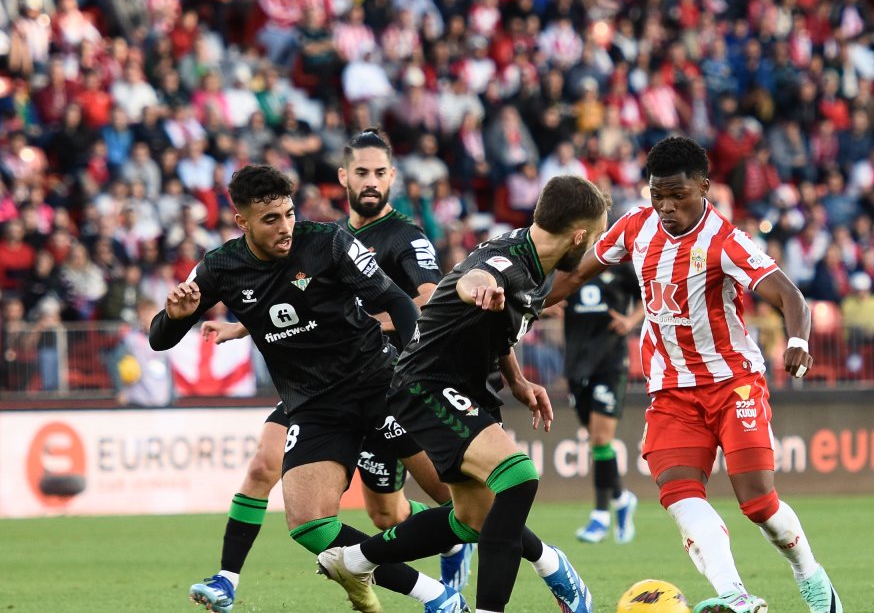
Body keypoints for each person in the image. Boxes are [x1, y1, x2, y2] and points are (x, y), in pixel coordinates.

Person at [149, 165, 466, 613]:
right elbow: (159, 339)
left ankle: (549, 563)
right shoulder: (221, 266)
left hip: (380, 384)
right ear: (242, 222)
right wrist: (176, 317)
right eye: (271, 219)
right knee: (308, 522)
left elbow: (395, 299)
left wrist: (417, 366)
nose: (285, 227)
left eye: (289, 213)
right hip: (316, 406)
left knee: (463, 502)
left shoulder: (327, 242)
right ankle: (438, 597)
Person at [548, 136, 842, 613]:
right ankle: (735, 595)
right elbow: (577, 274)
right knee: (680, 494)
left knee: (758, 504)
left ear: (704, 187)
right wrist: (527, 305)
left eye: (677, 196)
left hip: (733, 382)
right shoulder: (633, 229)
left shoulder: (724, 240)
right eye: (656, 195)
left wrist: (798, 341)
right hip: (671, 391)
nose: (665, 207)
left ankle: (810, 575)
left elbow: (790, 296)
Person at [317, 175, 609, 613]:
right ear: (579, 235)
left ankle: (354, 560)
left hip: (465, 389)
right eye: (596, 238)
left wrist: (517, 380)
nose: (591, 247)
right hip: (427, 384)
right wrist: (479, 290)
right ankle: (528, 583)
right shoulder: (506, 262)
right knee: (518, 476)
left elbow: (499, 329)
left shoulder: (539, 266)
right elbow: (476, 277)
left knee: (472, 520)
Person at [560, 261, 642, 544]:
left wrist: (631, 320)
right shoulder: (566, 264)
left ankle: (600, 516)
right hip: (576, 365)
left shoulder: (619, 266)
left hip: (610, 362)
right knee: (597, 442)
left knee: (600, 438)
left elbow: (648, 294)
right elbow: (546, 296)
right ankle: (621, 499)